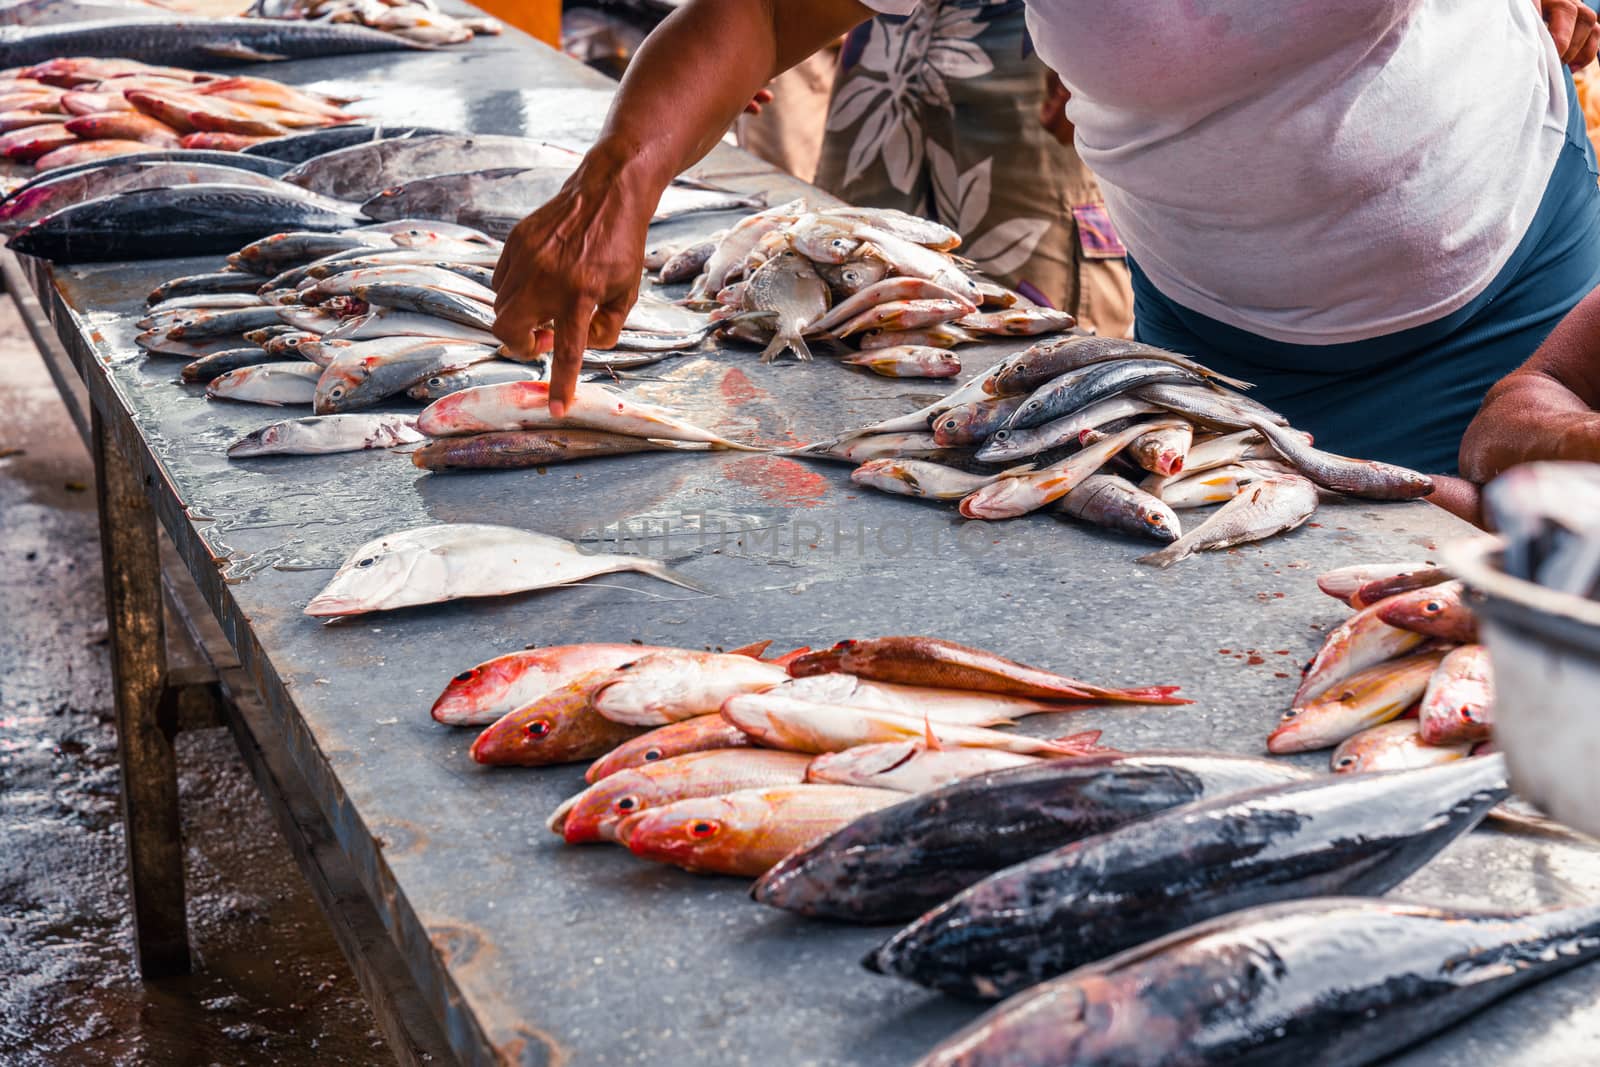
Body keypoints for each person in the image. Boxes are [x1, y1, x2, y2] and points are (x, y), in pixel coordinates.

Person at [491, 0, 1599, 506]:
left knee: (1507, 676)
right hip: (1211, 331)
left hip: (1508, 308)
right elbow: (769, 13)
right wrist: (617, 182)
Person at [814, 2, 1134, 334]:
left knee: (1031, 328)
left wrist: (1098, 40)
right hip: (885, 26)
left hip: (1034, 27)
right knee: (850, 277)